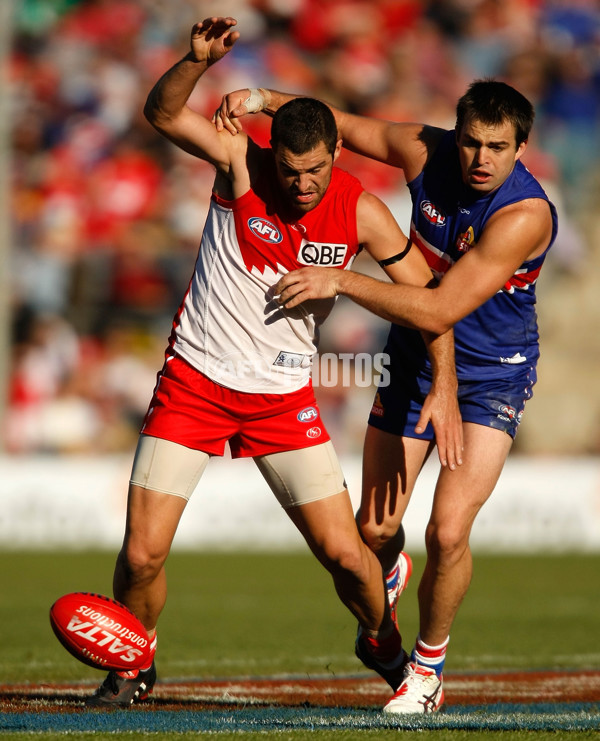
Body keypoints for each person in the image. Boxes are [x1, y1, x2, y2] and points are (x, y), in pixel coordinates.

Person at [86, 17, 461, 707]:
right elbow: (163, 112)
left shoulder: (364, 211)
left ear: (337, 152)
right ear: (273, 156)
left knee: (350, 560)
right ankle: (134, 662)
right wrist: (195, 62)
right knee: (141, 553)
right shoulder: (241, 160)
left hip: (283, 398)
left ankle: (384, 646)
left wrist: (441, 375)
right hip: (194, 380)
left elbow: (429, 304)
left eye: (317, 169)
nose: (304, 184)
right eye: (291, 172)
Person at [214, 78, 558, 713]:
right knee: (374, 531)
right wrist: (264, 99)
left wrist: (341, 278)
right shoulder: (423, 150)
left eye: (499, 147)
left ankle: (425, 672)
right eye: (473, 143)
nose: (482, 159)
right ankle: (393, 571)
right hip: (413, 360)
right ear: (456, 137)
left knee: (450, 531)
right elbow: (338, 122)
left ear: (521, 149)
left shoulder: (523, 216)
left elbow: (441, 305)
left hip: (491, 375)